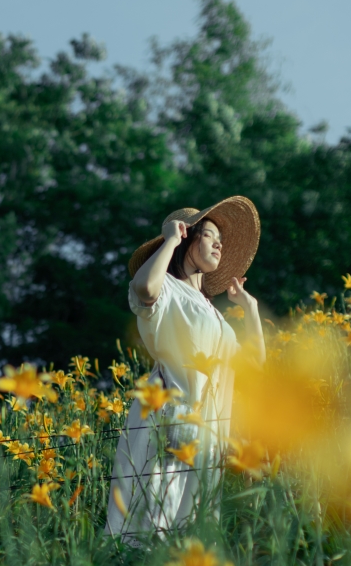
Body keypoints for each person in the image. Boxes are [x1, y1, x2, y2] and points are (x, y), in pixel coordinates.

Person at [106, 197, 264, 543]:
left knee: (191, 531)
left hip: (207, 436)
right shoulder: (167, 291)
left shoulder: (213, 312)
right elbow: (145, 288)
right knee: (152, 521)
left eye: (219, 238)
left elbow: (254, 364)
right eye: (208, 235)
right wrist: (169, 241)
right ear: (186, 238)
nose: (219, 243)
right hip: (167, 420)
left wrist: (249, 308)